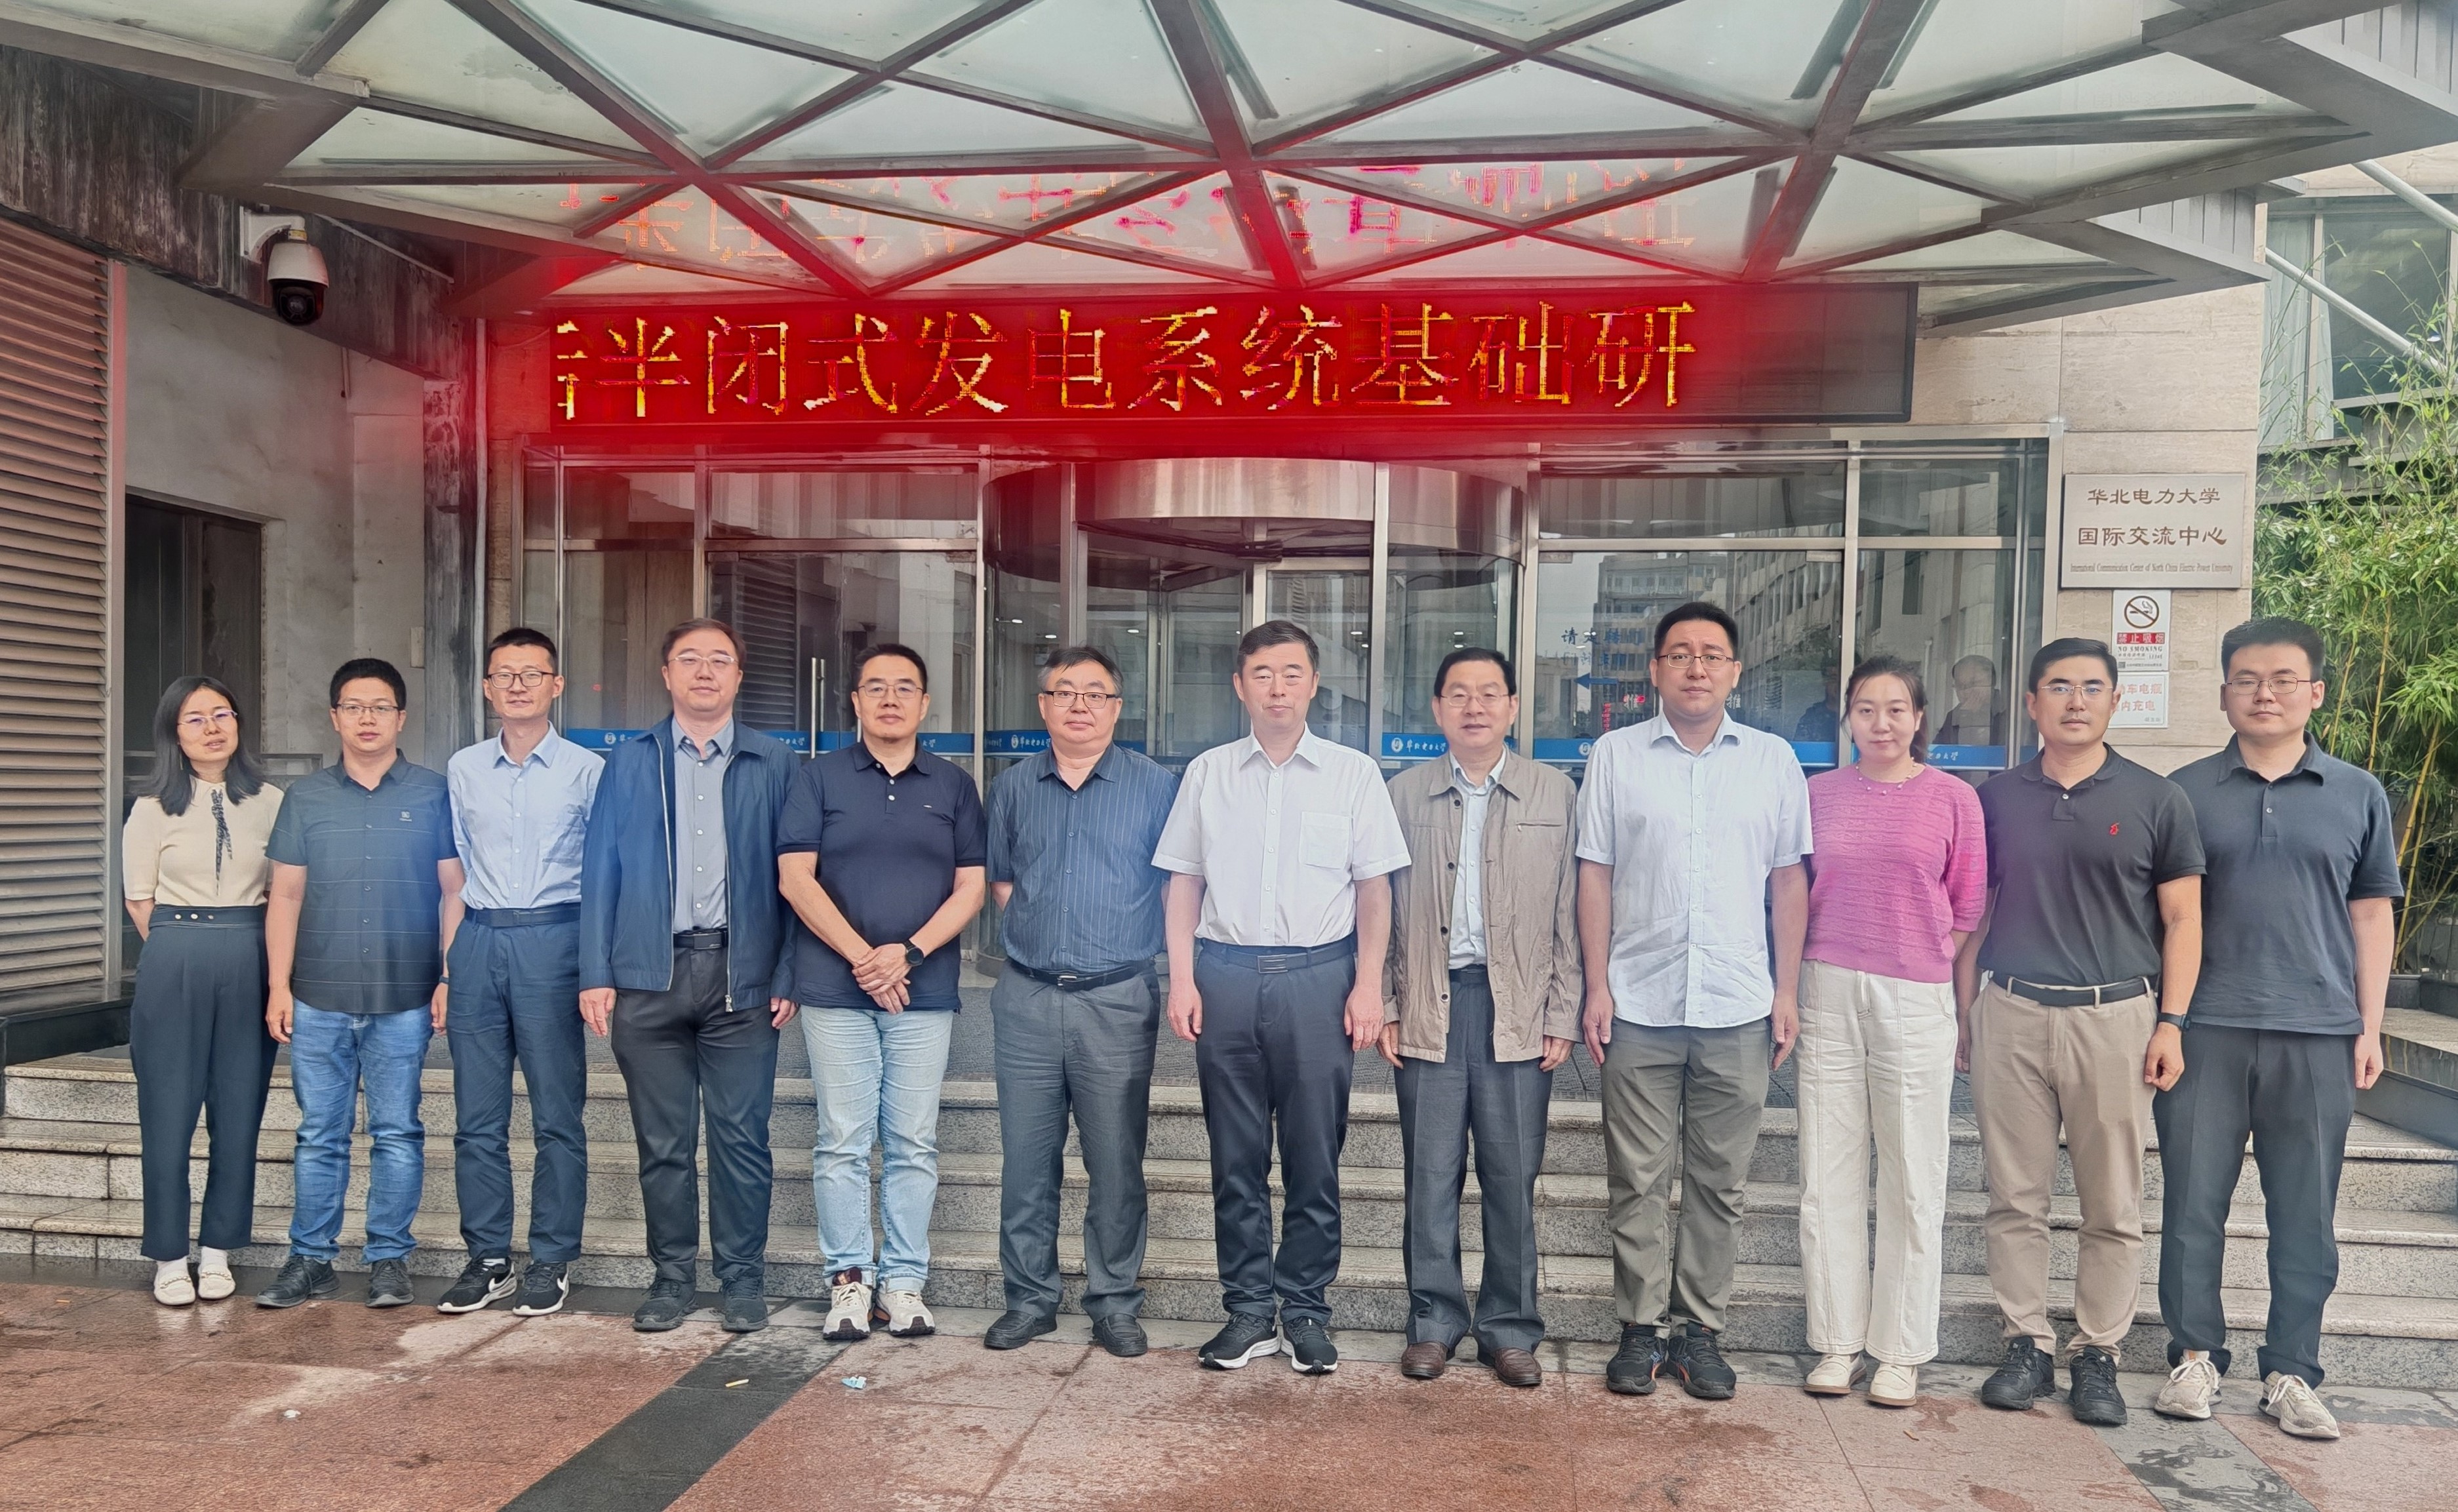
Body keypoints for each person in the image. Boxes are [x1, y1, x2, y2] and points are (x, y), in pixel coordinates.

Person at [2152, 618, 2402, 1441]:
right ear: (2223, 691)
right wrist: (2167, 1020)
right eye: (2247, 679)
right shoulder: (2181, 791)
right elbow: (2166, 917)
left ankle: (2291, 1370)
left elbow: (2370, 915)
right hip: (2205, 1028)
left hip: (2318, 1032)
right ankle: (2194, 1356)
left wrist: (2369, 1026)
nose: (2264, 693)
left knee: (2304, 1214)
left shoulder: (2356, 792)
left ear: (2314, 691)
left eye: (2283, 678)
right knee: (2191, 1204)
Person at [1155, 619, 1408, 1375]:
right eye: (1262, 673)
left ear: (1313, 683)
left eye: (1291, 672)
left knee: (1312, 1154)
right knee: (1233, 1156)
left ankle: (1304, 1309)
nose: (1276, 687)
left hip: (1317, 980)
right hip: (1225, 976)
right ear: (1240, 685)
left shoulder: (1351, 773)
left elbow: (1374, 890)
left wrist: (1367, 983)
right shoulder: (1208, 773)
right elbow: (1183, 882)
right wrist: (1182, 976)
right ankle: (1245, 1311)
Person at [1960, 637, 2202, 1427]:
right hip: (2011, 1010)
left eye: (2091, 686)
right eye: (2058, 686)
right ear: (2031, 702)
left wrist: (2170, 1021)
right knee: (2013, 1195)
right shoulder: (1994, 798)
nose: (2074, 700)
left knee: (2111, 1202)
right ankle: (2024, 1343)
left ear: (2114, 700)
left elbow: (2182, 919)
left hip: (2115, 1016)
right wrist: (1964, 1012)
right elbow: (1974, 914)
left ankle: (2097, 1352)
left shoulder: (2156, 798)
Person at [1580, 601, 1810, 1401]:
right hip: (1638, 1000)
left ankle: (1699, 1331)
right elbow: (1594, 873)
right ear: (1654, 670)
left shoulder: (1772, 760)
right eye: (1679, 653)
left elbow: (1788, 881)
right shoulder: (1615, 755)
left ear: (1735, 671)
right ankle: (1639, 1330)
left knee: (1720, 1181)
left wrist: (1786, 990)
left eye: (1711, 654)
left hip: (1737, 1002)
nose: (1695, 666)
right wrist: (1596, 985)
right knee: (1636, 1178)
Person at [578, 618, 799, 1335]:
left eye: (719, 661)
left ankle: (742, 1278)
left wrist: (787, 969)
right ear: (666, 674)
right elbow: (599, 872)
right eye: (690, 659)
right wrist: (595, 971)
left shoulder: (775, 762)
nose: (705, 671)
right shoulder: (629, 762)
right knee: (663, 1143)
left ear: (738, 676)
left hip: (742, 975)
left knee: (742, 1139)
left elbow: (799, 877)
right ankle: (672, 1278)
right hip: (649, 975)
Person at [1380, 648, 1579, 1389]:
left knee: (1511, 1175)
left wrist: (1562, 1008)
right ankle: (1432, 1324)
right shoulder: (1402, 794)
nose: (1474, 706)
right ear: (1436, 708)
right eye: (1458, 694)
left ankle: (1509, 1329)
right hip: (1431, 1002)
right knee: (1428, 1177)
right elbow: (1379, 905)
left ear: (1513, 706)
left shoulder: (1554, 792)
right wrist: (1387, 1003)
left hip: (1517, 1006)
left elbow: (1568, 909)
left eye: (1489, 693)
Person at [778, 643, 987, 1343]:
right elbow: (795, 878)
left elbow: (971, 887)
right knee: (841, 1139)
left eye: (904, 688)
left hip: (922, 992)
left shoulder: (953, 785)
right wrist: (864, 959)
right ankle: (848, 1281)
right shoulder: (818, 778)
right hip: (835, 990)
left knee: (912, 1140)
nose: (890, 699)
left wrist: (908, 953)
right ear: (855, 701)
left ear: (924, 703)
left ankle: (902, 1283)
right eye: (875, 687)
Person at [1795, 656, 1986, 1407]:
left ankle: (1900, 1350)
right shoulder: (1815, 794)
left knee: (1912, 1173)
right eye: (1866, 708)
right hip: (1826, 985)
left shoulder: (1953, 798)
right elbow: (1796, 889)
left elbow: (1967, 906)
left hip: (1914, 991)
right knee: (1825, 1170)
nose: (1881, 722)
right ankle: (1836, 1341)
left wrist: (1934, 968)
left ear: (1918, 717)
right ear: (1846, 717)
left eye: (1895, 708)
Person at [979, 646, 1178, 1359]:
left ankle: (1113, 1301)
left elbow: (1172, 887)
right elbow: (1004, 882)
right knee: (1026, 1161)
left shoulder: (1156, 787)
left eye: (1095, 693)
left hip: (1116, 997)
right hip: (1027, 997)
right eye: (1065, 692)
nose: (1080, 705)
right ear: (1043, 705)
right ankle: (1028, 1300)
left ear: (1117, 708)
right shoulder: (1011, 786)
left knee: (1115, 1162)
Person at [256, 659, 461, 1310]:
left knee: (397, 1131)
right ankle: (310, 1258)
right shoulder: (305, 797)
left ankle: (388, 1259)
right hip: (318, 993)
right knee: (320, 1132)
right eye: (353, 706)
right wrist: (278, 986)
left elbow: (453, 891)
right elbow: (286, 896)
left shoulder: (434, 793)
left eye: (379, 707)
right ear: (334, 717)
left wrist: (449, 975)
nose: (366, 718)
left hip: (404, 994)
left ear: (402, 718)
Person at [435, 627, 603, 1318]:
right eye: (504, 673)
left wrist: (597, 968)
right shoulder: (463, 768)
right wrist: (447, 969)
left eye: (532, 673)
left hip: (554, 939)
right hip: (478, 940)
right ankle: (488, 1258)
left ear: (556, 685)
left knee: (557, 1113)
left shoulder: (588, 770)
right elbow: (455, 873)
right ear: (486, 687)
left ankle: (552, 1257)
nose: (517, 685)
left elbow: (605, 876)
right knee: (476, 1117)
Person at [122, 677, 283, 1307]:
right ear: (174, 731)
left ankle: (217, 1252)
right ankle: (169, 1257)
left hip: (250, 951)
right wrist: (182, 946)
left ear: (239, 722)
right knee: (167, 1113)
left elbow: (283, 891)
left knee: (239, 1110)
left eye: (222, 714)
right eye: (195, 719)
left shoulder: (271, 801)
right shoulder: (150, 807)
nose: (212, 728)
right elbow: (140, 899)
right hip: (175, 954)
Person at [1937, 654, 2006, 748]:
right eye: (1960, 686)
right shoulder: (1954, 716)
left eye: (1973, 683)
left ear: (1992, 682)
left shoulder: (2008, 711)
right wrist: (1966, 716)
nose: (1966, 691)